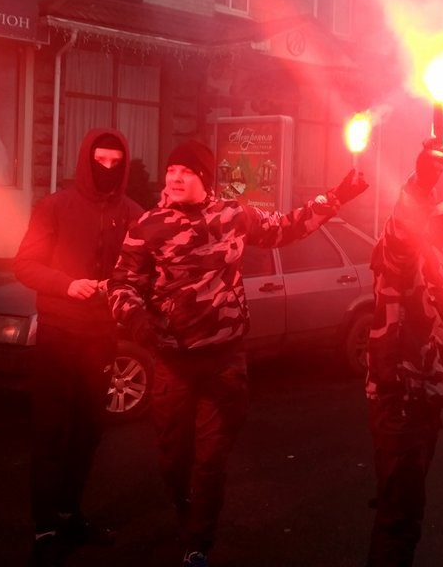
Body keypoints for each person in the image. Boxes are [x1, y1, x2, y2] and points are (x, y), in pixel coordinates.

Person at [107, 139, 368, 567]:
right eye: (172, 169)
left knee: (210, 459)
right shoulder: (148, 225)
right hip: (173, 361)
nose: (175, 177)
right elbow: (122, 283)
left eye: (187, 172)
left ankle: (197, 543)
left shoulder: (233, 214)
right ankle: (184, 508)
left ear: (205, 180)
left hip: (224, 360)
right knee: (174, 456)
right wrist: (136, 320)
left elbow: (287, 227)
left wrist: (336, 196)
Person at [13, 128, 143, 565]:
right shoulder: (55, 207)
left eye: (115, 164)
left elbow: (146, 267)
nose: (107, 170)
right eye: (99, 162)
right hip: (59, 334)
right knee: (51, 431)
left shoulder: (132, 213)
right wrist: (68, 285)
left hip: (101, 338)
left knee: (89, 432)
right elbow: (25, 264)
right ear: (85, 161)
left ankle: (69, 512)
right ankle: (45, 525)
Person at [364, 138, 443, 567]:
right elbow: (398, 238)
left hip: (425, 397)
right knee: (399, 515)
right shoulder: (405, 253)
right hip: (400, 397)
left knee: (407, 507)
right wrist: (420, 184)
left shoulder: (438, 257)